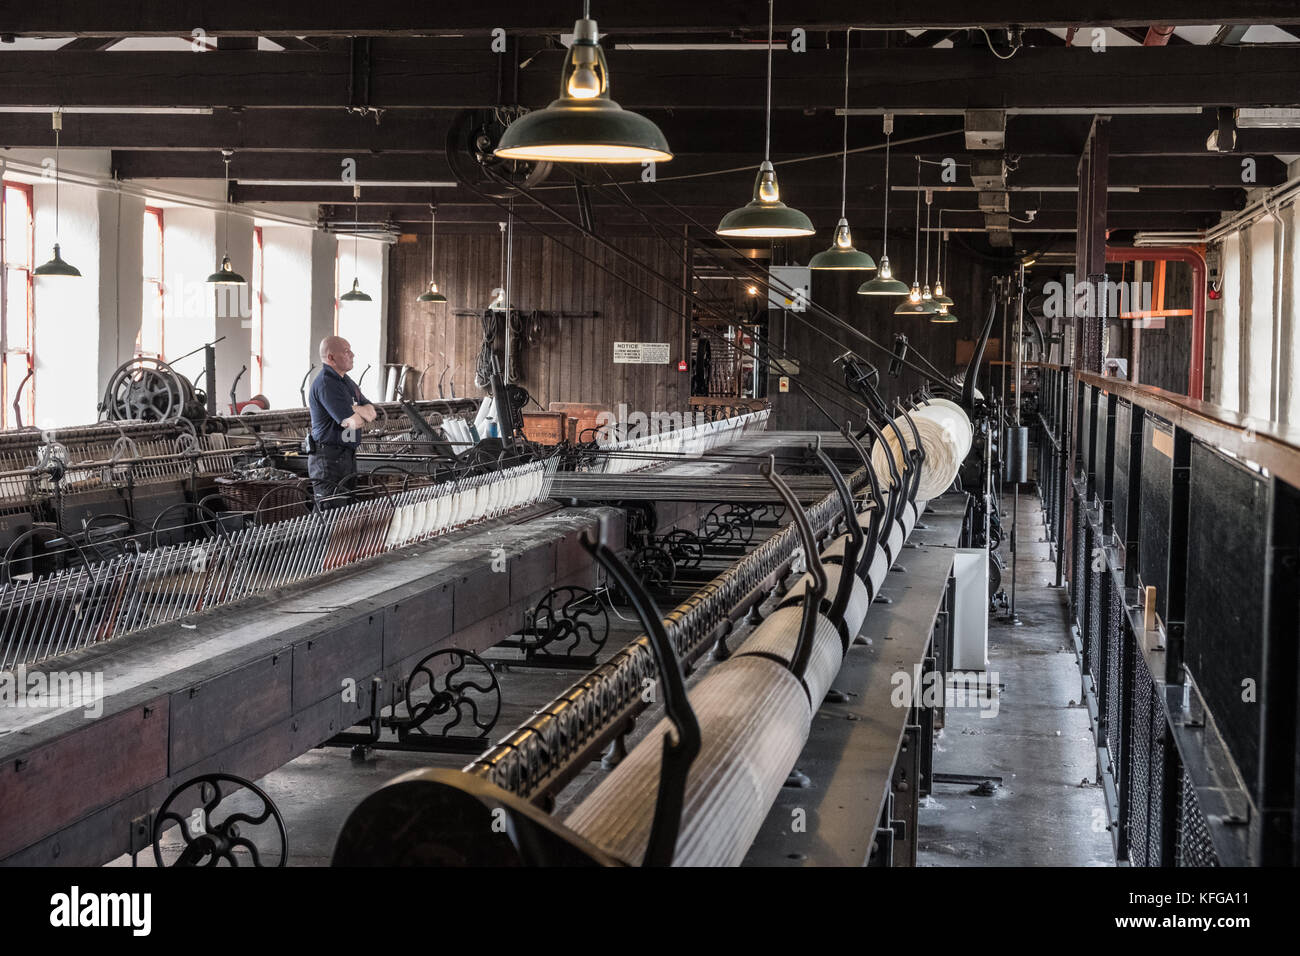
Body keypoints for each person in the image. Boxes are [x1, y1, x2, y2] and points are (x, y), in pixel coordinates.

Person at [307, 336, 376, 504]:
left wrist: (351, 408)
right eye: (346, 351)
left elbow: (372, 412)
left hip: (345, 456)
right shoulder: (326, 383)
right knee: (331, 512)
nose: (352, 355)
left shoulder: (345, 381)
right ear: (331, 357)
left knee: (346, 512)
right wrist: (356, 411)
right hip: (328, 459)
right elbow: (353, 423)